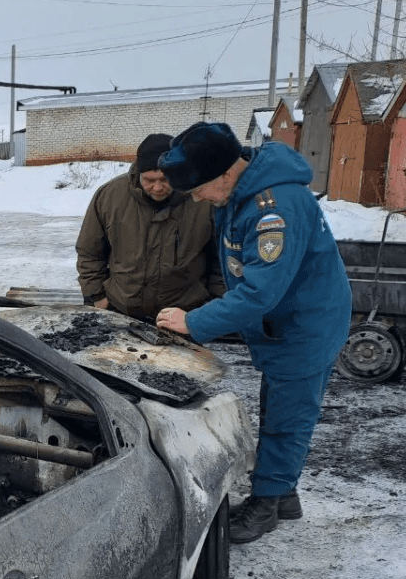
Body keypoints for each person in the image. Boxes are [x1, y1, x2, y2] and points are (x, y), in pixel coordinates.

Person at [154, 121, 352, 544]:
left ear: (226, 172)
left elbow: (261, 291)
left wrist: (195, 323)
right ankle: (283, 495)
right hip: (286, 323)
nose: (197, 199)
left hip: (304, 325)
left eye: (199, 189)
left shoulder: (273, 209)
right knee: (278, 408)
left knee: (287, 419)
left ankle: (266, 509)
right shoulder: (243, 193)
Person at [75, 133, 225, 321]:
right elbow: (89, 252)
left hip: (183, 316)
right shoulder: (110, 196)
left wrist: (211, 306)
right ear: (138, 172)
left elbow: (222, 259)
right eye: (149, 180)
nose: (157, 187)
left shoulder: (203, 199)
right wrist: (97, 296)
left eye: (165, 179)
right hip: (120, 310)